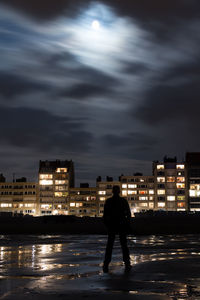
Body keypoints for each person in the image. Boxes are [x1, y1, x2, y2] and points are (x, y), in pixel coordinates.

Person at [103, 185, 132, 273]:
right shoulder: (123, 201)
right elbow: (129, 214)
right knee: (123, 245)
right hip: (121, 225)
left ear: (112, 191)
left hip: (112, 225)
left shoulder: (109, 201)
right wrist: (126, 223)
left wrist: (107, 224)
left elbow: (105, 215)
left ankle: (106, 264)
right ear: (119, 191)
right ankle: (127, 263)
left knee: (110, 245)